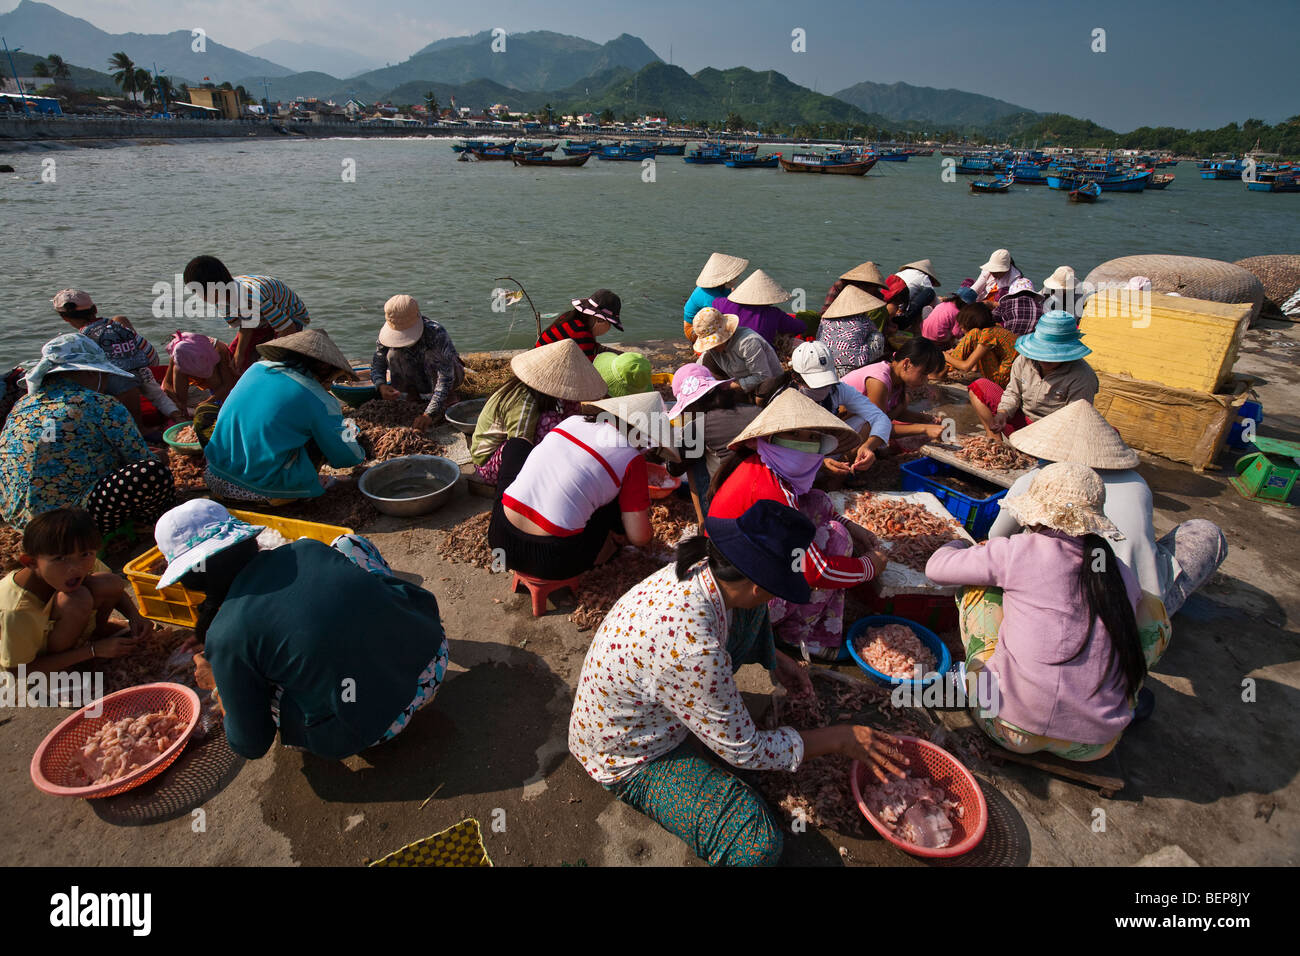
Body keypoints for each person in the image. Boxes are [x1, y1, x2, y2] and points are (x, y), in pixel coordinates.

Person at [568, 498, 907, 866]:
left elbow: (746, 613)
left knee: (748, 614)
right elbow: (746, 752)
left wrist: (776, 658)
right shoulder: (695, 650)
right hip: (629, 755)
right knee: (756, 845)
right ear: (763, 585)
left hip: (646, 697)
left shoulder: (702, 569)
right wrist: (840, 739)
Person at [154, 499, 448, 760]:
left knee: (259, 686)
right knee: (350, 545)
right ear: (246, 540)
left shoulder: (227, 634)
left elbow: (251, 744)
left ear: (189, 580)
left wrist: (218, 679)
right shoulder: (306, 548)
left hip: (384, 721)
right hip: (433, 655)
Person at [927, 462, 1171, 760]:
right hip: (1095, 744)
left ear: (1036, 511)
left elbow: (936, 569)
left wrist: (957, 543)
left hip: (1008, 727)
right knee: (1150, 607)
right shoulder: (1117, 571)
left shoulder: (1018, 550)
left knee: (979, 588)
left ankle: (968, 676)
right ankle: (1122, 694)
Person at [989, 401, 1227, 617]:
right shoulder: (1136, 484)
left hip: (1056, 610)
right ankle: (1154, 622)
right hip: (1137, 619)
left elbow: (996, 538)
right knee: (1206, 532)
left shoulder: (1031, 480)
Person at [709, 390, 888, 660]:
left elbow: (810, 505)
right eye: (793, 435)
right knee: (837, 540)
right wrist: (869, 566)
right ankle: (797, 636)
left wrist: (851, 525)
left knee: (818, 501)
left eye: (812, 438)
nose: (804, 446)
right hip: (744, 598)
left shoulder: (763, 466)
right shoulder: (770, 492)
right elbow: (817, 573)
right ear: (766, 440)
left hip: (748, 567)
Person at [489, 391, 674, 580]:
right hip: (552, 562)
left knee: (517, 446)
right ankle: (606, 549)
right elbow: (639, 538)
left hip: (500, 541)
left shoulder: (572, 422)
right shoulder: (632, 460)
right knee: (610, 499)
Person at [0, 334, 174, 535]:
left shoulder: (23, 404)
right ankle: (149, 522)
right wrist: (158, 457)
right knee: (153, 472)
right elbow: (140, 457)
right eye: (104, 373)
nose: (106, 379)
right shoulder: (101, 404)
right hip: (69, 524)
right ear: (91, 373)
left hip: (19, 518)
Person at [203, 330, 365, 504]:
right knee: (321, 436)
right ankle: (300, 488)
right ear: (325, 369)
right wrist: (351, 436)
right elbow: (348, 458)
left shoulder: (255, 369)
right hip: (261, 491)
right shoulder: (319, 398)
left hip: (214, 475)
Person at [0, 508, 151, 674]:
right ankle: (70, 663)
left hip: (59, 631)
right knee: (76, 599)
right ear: (31, 562)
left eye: (86, 554)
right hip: (35, 659)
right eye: (59, 559)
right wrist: (93, 651)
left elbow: (114, 588)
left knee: (110, 582)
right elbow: (16, 669)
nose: (75, 567)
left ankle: (97, 634)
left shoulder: (76, 560)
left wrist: (135, 617)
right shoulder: (16, 611)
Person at [469, 338, 608, 483]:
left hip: (513, 451)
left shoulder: (540, 393)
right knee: (548, 424)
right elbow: (517, 448)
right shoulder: (524, 401)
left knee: (570, 406)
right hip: (490, 462)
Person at [52, 289, 182, 428]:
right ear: (95, 309)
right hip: (140, 372)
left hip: (117, 388)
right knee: (154, 392)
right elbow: (151, 356)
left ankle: (140, 431)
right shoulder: (119, 327)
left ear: (64, 318)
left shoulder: (82, 340)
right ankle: (178, 418)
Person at [762, 341, 893, 475]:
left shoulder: (837, 389)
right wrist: (821, 463)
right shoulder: (783, 398)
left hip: (824, 446)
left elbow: (879, 417)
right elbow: (776, 446)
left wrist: (868, 446)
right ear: (796, 378)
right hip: (791, 457)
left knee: (863, 421)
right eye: (816, 385)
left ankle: (842, 472)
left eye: (826, 383)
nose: (823, 389)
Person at [182, 256, 311, 376]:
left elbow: (288, 329)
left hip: (290, 316)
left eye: (199, 292)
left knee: (275, 364)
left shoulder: (252, 296)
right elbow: (246, 324)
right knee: (234, 359)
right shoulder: (221, 299)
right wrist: (240, 354)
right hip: (260, 318)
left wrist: (268, 361)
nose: (199, 297)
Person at [978, 311, 1099, 438]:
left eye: (1052, 356)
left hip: (1054, 432)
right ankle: (995, 441)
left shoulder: (1082, 376)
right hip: (1023, 419)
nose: (1045, 359)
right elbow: (1013, 392)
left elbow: (1075, 418)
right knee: (980, 385)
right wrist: (1003, 413)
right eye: (1042, 353)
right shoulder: (1024, 360)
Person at [667, 363, 760, 519]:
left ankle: (706, 519)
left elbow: (674, 469)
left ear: (693, 404)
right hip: (764, 486)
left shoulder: (698, 426)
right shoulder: (753, 410)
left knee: (693, 459)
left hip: (734, 498)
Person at [369, 294, 465, 430]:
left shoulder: (435, 333)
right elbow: (378, 362)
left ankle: (447, 397)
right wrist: (380, 385)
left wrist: (429, 414)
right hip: (414, 377)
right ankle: (413, 395)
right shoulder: (387, 332)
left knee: (432, 356)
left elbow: (445, 378)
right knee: (392, 354)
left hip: (448, 375)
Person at [842, 339, 948, 441]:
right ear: (906, 364)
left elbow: (896, 413)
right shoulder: (879, 381)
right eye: (924, 374)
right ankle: (842, 457)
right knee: (869, 424)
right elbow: (877, 427)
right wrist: (924, 429)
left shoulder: (897, 380)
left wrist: (924, 419)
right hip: (835, 427)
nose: (926, 379)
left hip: (851, 426)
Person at [162, 331, 239, 447]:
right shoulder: (180, 351)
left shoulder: (219, 350)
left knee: (216, 384)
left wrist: (205, 404)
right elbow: (166, 384)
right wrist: (178, 403)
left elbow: (228, 384)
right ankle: (184, 412)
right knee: (178, 371)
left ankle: (216, 406)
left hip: (216, 379)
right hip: (188, 369)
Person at [692, 307, 782, 395]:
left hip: (767, 387)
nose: (711, 348)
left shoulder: (748, 343)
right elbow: (697, 367)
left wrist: (728, 386)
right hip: (739, 379)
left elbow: (763, 377)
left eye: (713, 345)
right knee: (707, 359)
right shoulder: (712, 350)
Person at [711, 269, 804, 345]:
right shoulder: (774, 314)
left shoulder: (723, 303)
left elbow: (714, 303)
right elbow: (800, 327)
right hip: (759, 356)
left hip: (727, 352)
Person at [944, 302, 1019, 387]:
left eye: (961, 326)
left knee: (974, 334)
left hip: (1003, 381)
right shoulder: (996, 328)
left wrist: (947, 357)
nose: (961, 329)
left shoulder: (988, 335)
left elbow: (966, 366)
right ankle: (945, 368)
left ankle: (943, 370)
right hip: (1012, 376)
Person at [816, 285, 887, 374]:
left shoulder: (825, 320)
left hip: (824, 365)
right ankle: (873, 370)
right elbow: (876, 332)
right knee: (877, 337)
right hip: (853, 369)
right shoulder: (863, 321)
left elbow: (818, 338)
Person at [535, 290, 622, 360]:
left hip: (536, 359)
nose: (609, 328)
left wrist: (620, 354)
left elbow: (593, 347)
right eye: (610, 324)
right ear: (600, 320)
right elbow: (590, 368)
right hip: (544, 367)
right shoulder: (582, 333)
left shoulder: (571, 318)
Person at [684, 252, 748, 341]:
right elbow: (719, 317)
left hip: (710, 322)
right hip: (695, 329)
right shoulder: (709, 296)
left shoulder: (723, 288)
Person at [822, 261, 887, 313]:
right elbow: (826, 310)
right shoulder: (840, 286)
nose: (873, 289)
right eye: (869, 286)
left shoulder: (877, 296)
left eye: (875, 287)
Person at [894, 259, 941, 329]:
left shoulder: (901, 273)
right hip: (900, 317)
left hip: (892, 307)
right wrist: (942, 303)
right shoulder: (923, 276)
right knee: (929, 292)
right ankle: (909, 324)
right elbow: (935, 300)